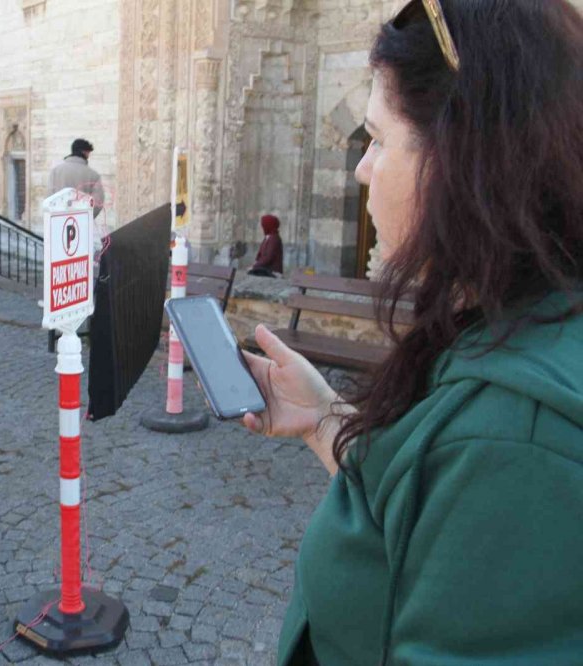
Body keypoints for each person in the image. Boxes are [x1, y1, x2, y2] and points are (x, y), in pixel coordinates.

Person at [238, 2, 583, 664]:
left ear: (462, 162)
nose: (362, 168)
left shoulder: (516, 442)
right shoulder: (513, 321)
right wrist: (323, 418)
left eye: (379, 139)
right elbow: (425, 502)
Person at [49, 138, 105, 217]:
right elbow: (98, 202)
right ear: (85, 152)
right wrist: (86, 217)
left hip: (59, 219)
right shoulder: (93, 175)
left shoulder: (55, 171)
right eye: (88, 153)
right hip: (82, 221)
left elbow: (50, 198)